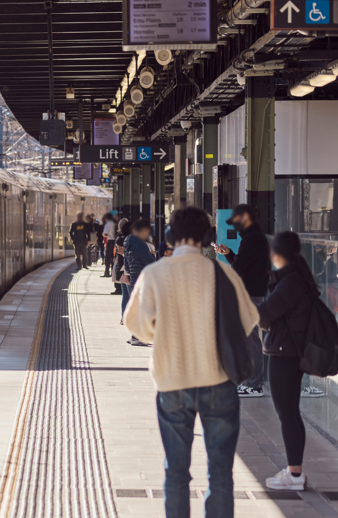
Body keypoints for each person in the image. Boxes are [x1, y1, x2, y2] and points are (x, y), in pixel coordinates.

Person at [125, 207, 259, 518]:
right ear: (208, 237)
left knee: (175, 472)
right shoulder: (223, 273)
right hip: (220, 383)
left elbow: (137, 326)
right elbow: (250, 320)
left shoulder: (156, 273)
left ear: (170, 236)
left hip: (172, 383)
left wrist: (165, 331)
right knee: (221, 474)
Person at [256, 231, 320, 490]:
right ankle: (295, 472)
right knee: (290, 413)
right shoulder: (296, 276)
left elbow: (264, 313)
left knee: (287, 414)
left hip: (285, 353)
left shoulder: (291, 281)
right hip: (290, 351)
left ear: (279, 253)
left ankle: (294, 475)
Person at [214, 204, 270, 397]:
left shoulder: (253, 239)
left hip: (250, 293)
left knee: (250, 338)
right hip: (251, 292)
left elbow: (239, 267)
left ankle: (254, 384)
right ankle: (250, 381)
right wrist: (228, 254)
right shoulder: (253, 237)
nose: (235, 227)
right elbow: (241, 264)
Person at [123, 219, 155, 345]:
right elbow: (149, 262)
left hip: (133, 278)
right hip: (143, 277)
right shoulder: (141, 244)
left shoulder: (127, 242)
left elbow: (126, 263)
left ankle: (134, 335)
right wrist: (153, 255)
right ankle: (138, 336)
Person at [114, 220, 131, 310]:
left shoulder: (119, 238)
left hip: (123, 269)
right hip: (129, 272)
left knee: (125, 297)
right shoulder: (130, 240)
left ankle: (123, 317)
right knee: (130, 297)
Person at [102, 213, 117, 277]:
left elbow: (105, 234)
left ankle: (107, 272)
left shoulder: (107, 224)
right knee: (114, 257)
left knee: (108, 258)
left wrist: (102, 234)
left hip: (110, 242)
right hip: (115, 242)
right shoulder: (115, 223)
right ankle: (113, 272)